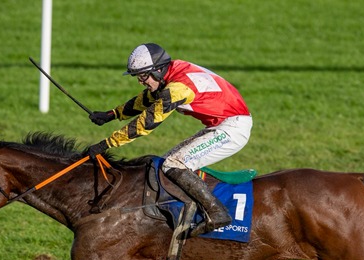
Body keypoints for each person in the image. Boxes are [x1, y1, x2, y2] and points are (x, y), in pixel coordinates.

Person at [86, 43, 252, 237]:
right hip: (223, 124)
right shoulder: (173, 70)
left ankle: (216, 213)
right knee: (165, 164)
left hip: (232, 129)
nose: (141, 81)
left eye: (143, 76)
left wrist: (106, 144)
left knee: (174, 165)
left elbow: (146, 123)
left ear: (157, 70)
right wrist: (113, 114)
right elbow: (147, 98)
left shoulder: (178, 89)